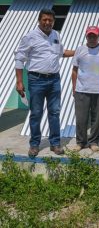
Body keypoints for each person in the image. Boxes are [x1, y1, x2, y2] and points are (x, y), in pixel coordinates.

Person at [14, 8, 74, 158]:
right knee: (36, 114)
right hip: (36, 80)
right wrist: (19, 81)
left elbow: (61, 53)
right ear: (39, 20)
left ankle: (55, 143)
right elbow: (19, 58)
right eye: (44, 20)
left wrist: (80, 50)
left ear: (54, 21)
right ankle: (34, 145)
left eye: (50, 20)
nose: (47, 23)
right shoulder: (30, 37)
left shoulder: (56, 35)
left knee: (54, 112)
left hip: (54, 80)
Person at [71, 26, 99, 152]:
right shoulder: (80, 50)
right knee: (81, 118)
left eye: (94, 36)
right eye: (90, 35)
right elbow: (74, 70)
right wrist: (74, 88)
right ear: (86, 36)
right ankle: (80, 142)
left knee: (98, 118)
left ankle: (93, 142)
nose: (92, 38)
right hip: (82, 90)